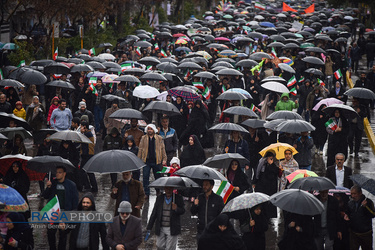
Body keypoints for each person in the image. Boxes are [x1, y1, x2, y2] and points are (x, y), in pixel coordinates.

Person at [42, 166, 79, 250]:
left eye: (60, 172)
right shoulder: (53, 183)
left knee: (63, 235)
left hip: (64, 213)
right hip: (53, 212)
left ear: (64, 174)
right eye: (56, 172)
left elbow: (75, 202)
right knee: (50, 233)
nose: (57, 174)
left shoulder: (71, 185)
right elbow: (45, 196)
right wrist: (48, 187)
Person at [138, 124, 167, 198]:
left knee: (157, 176)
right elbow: (140, 149)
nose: (149, 130)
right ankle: (146, 192)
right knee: (145, 177)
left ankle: (158, 190)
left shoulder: (159, 138)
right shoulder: (143, 138)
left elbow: (163, 149)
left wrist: (164, 159)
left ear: (154, 130)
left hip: (156, 160)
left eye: (151, 129)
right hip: (146, 161)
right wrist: (138, 159)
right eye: (148, 129)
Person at [344, 185, 375, 250]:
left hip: (366, 233)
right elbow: (348, 213)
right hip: (354, 233)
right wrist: (346, 216)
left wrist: (366, 207)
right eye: (351, 194)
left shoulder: (368, 202)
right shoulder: (350, 202)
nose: (353, 196)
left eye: (355, 194)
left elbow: (373, 214)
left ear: (360, 193)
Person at [253, 151, 280, 218]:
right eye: (269, 158)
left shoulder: (276, 164)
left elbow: (276, 172)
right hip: (262, 185)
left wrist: (271, 165)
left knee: (269, 203)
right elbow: (257, 172)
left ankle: (268, 217)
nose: (270, 159)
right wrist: (255, 182)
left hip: (271, 186)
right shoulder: (262, 163)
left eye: (271, 158)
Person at [80, 121, 97, 192]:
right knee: (89, 172)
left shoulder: (88, 134)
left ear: (84, 127)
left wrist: (81, 132)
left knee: (84, 171)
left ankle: (89, 186)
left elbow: (81, 138)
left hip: (88, 155)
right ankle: (93, 187)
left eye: (81, 126)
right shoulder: (87, 133)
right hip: (86, 154)